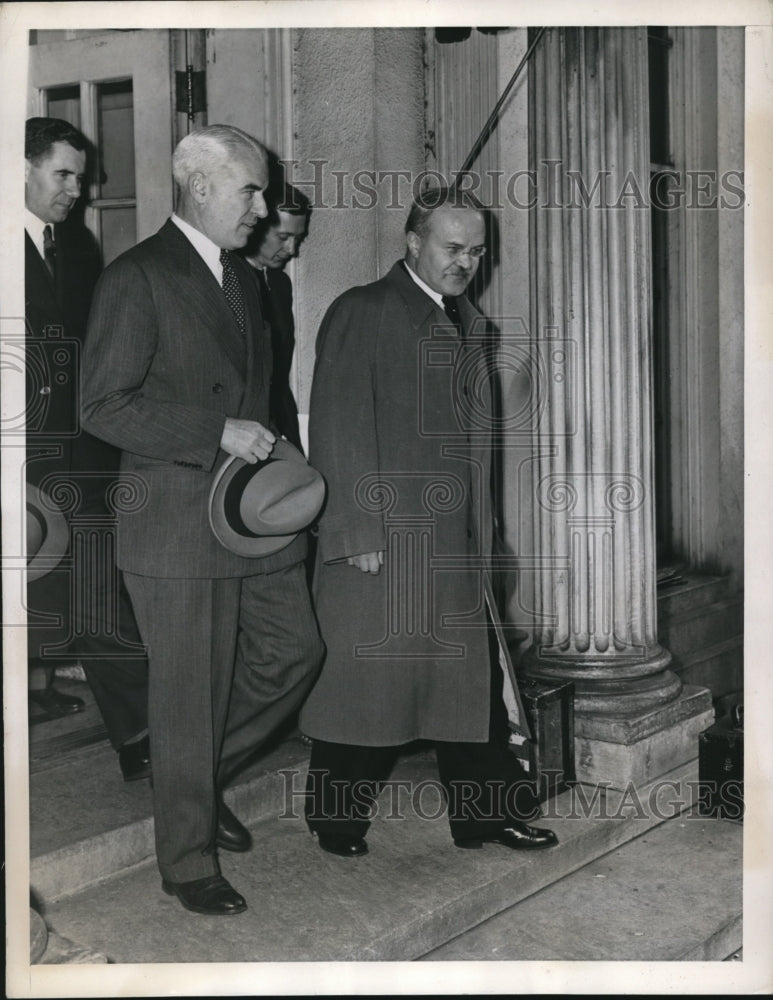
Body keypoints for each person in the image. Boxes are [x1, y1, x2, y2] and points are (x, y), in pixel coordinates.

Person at [81, 125, 323, 916]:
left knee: (295, 651)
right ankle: (187, 861)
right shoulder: (137, 277)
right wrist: (212, 432)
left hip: (249, 517)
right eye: (250, 190)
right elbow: (101, 406)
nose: (261, 207)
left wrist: (279, 454)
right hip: (174, 525)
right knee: (188, 694)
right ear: (200, 187)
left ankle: (195, 774)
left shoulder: (245, 280)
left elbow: (256, 393)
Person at [300, 187, 559, 858]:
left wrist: (486, 532)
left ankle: (486, 815)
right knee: (364, 686)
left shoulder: (471, 323)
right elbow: (338, 423)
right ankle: (335, 820)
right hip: (383, 540)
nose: (464, 262)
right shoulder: (363, 310)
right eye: (451, 248)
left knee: (465, 690)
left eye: (475, 251)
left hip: (452, 544)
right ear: (411, 241)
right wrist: (355, 531)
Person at [24, 117, 151, 782]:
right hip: (16, 464)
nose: (78, 189)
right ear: (21, 167)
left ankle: (140, 737)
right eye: (63, 174)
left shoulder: (75, 246)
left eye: (80, 174)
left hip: (80, 462)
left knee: (102, 596)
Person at [242, 183, 310, 453]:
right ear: (256, 227)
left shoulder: (281, 284)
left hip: (280, 430)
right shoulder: (226, 278)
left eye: (298, 238)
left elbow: (278, 378)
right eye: (283, 237)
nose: (292, 250)